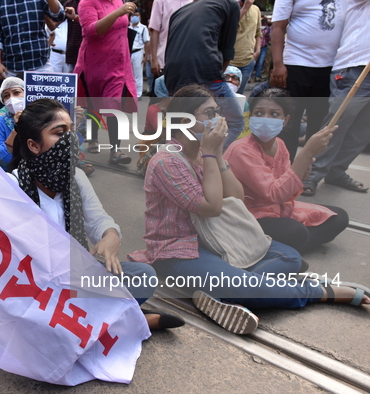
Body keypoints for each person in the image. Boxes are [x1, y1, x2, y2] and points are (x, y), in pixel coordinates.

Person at [129, 85, 369, 334]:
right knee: (245, 283)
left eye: (217, 112)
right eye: (209, 113)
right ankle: (318, 292)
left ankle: (229, 293)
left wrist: (217, 155)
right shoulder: (166, 161)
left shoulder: (204, 152)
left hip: (220, 238)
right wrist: (211, 154)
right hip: (178, 250)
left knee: (290, 257)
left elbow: (236, 196)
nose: (218, 119)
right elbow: (211, 207)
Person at [7, 98, 185, 330]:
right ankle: (131, 321)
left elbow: (98, 219)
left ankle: (92, 321)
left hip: (75, 279)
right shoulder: (12, 186)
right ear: (34, 145)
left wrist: (110, 236)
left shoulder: (76, 177)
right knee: (29, 311)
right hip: (33, 286)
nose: (70, 139)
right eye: (60, 133)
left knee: (143, 276)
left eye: (72, 130)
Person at [224, 88, 348, 254]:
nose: (265, 119)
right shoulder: (242, 149)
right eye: (259, 113)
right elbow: (275, 193)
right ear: (250, 117)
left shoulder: (280, 145)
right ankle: (283, 248)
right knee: (296, 232)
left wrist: (301, 172)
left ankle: (282, 249)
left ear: (286, 120)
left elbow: (288, 194)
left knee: (338, 217)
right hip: (248, 216)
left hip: (278, 209)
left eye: (274, 114)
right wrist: (306, 153)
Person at [301, 0, 370, 196]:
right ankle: (311, 173)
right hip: (356, 66)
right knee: (337, 123)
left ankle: (337, 171)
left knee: (363, 131)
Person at [163, 0, 244, 149]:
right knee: (236, 123)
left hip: (173, 77)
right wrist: (217, 77)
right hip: (205, 71)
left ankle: (174, 158)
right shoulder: (231, 4)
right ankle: (208, 158)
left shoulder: (179, 11)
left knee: (178, 124)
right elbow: (227, 49)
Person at [270, 0, 344, 161]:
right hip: (295, 65)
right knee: (289, 123)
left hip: (330, 68)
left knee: (319, 124)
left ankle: (307, 171)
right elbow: (277, 27)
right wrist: (278, 64)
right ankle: (283, 169)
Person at [74, 0, 137, 165]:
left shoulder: (117, 1)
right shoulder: (87, 3)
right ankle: (93, 137)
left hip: (118, 65)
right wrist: (118, 12)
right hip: (94, 64)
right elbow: (90, 30)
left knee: (114, 104)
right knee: (93, 104)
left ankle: (116, 150)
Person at [0, 0, 65, 81]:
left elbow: (59, 16)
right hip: (11, 67)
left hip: (41, 64)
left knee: (46, 93)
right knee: (12, 93)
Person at [147, 0, 191, 80]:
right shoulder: (160, 1)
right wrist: (154, 59)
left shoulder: (194, 2)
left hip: (189, 61)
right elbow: (154, 30)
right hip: (165, 61)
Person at [0, 77, 25, 169]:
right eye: (6, 96)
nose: (12, 98)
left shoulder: (40, 116)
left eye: (16, 92)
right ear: (3, 101)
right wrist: (16, 129)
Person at [128, 10, 149, 98]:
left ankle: (138, 94)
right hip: (129, 52)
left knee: (138, 74)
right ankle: (130, 93)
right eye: (133, 15)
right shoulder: (127, 27)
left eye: (136, 15)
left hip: (138, 52)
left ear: (140, 17)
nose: (134, 17)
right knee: (129, 75)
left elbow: (147, 42)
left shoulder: (143, 28)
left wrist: (146, 56)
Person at [255, 16, 270, 81]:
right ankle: (250, 76)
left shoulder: (268, 29)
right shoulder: (257, 29)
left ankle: (257, 76)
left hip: (263, 47)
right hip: (256, 47)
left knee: (260, 62)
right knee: (253, 61)